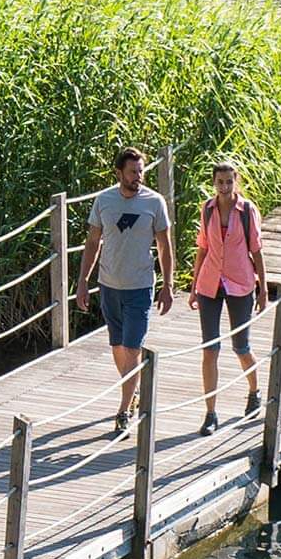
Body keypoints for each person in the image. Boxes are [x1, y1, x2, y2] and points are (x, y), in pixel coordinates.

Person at [77, 147, 173, 435]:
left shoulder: (154, 202)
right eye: (133, 172)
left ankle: (122, 412)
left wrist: (168, 285)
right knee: (118, 347)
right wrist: (83, 281)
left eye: (141, 171)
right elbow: (93, 243)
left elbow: (165, 246)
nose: (138, 177)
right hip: (109, 286)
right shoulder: (104, 201)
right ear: (119, 173)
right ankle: (133, 392)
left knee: (132, 347)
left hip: (140, 287)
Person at [190, 157, 269, 434]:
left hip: (240, 283)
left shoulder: (247, 210)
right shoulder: (208, 209)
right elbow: (202, 247)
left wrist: (263, 289)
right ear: (214, 182)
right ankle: (210, 413)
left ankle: (254, 391)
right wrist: (193, 285)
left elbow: (256, 251)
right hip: (210, 283)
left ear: (236, 181)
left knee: (241, 346)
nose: (224, 186)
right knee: (209, 349)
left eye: (228, 181)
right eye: (219, 182)